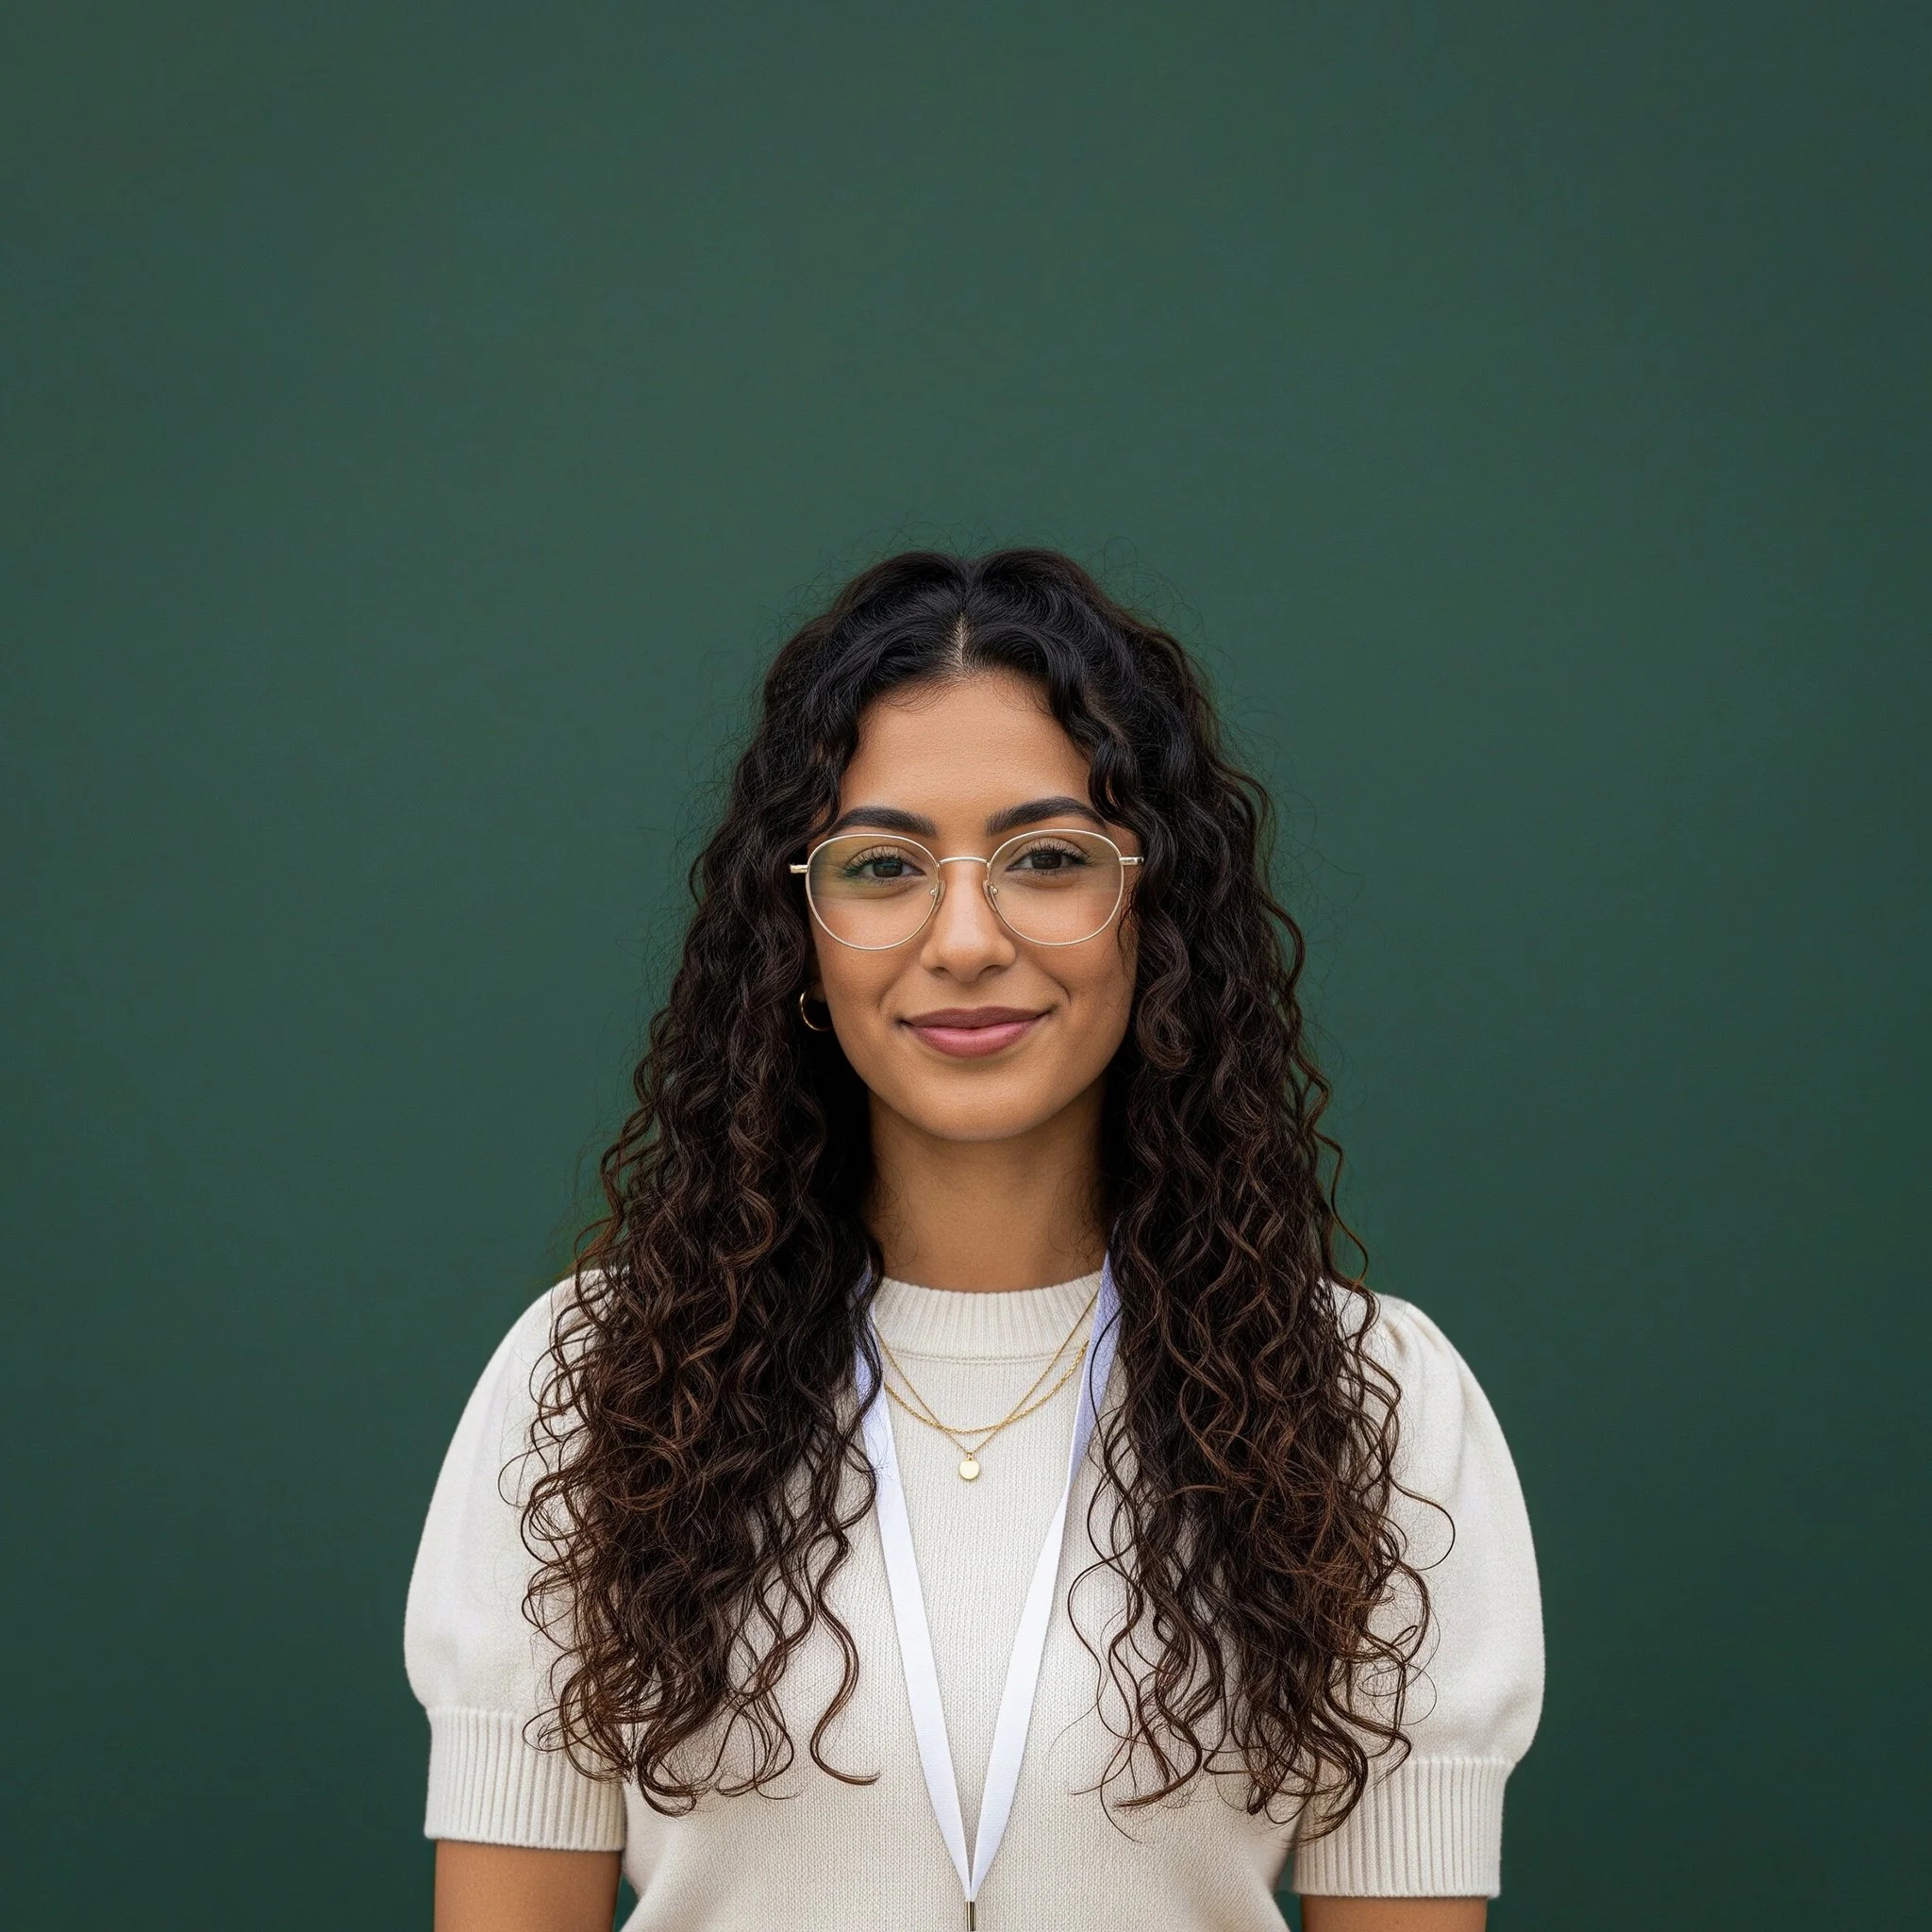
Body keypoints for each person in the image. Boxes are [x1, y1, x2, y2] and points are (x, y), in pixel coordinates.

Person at [405, 549, 1543, 1932]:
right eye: (882, 866)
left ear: (1158, 910)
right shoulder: (590, 1387)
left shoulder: (1374, 1408)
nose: (963, 938)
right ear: (798, 932)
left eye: (1048, 859)